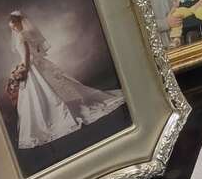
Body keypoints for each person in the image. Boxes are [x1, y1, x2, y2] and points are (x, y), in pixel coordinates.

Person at [7, 11, 125, 150]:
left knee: (44, 93)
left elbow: (27, 57)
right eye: (11, 27)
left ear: (18, 23)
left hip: (31, 68)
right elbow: (35, 52)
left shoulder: (21, 36)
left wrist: (23, 71)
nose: (13, 29)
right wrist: (20, 68)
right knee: (48, 91)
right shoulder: (27, 34)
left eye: (14, 25)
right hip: (36, 65)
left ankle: (50, 117)